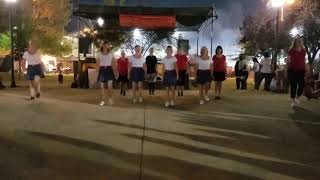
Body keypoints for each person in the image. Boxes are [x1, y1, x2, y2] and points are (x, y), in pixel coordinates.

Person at [287, 37, 307, 107]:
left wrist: (306, 67)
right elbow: (288, 59)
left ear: (302, 42)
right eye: (297, 41)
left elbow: (304, 60)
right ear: (295, 42)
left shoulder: (304, 51)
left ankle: (297, 98)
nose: (299, 42)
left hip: (301, 70)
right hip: (292, 69)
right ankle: (292, 101)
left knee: (302, 84)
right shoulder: (291, 50)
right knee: (293, 85)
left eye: (300, 41)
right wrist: (288, 61)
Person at [96, 41, 117, 106]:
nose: (105, 46)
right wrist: (97, 72)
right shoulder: (99, 53)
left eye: (107, 45)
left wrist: (115, 71)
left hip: (109, 70)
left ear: (108, 46)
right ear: (102, 46)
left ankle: (110, 99)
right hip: (102, 70)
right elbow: (98, 63)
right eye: (104, 45)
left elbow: (114, 63)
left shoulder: (111, 53)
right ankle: (102, 100)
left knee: (109, 87)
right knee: (102, 87)